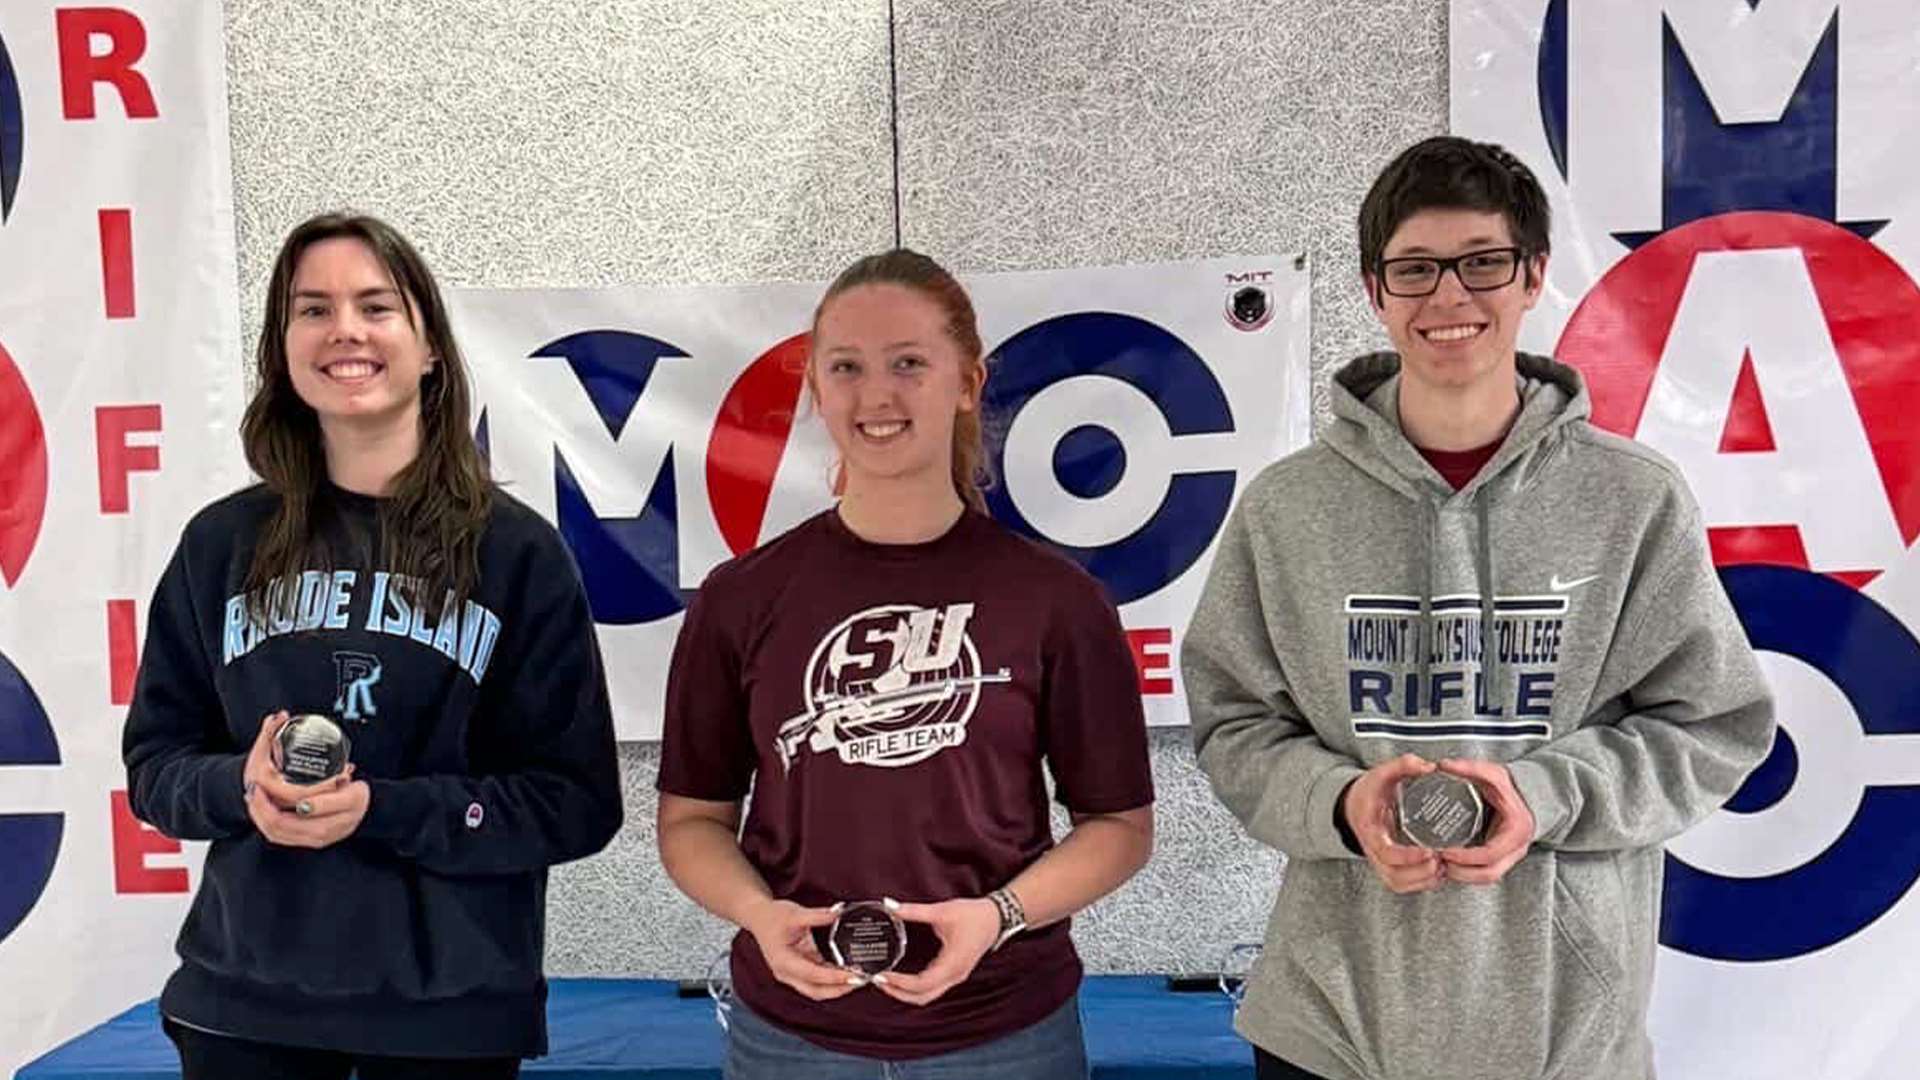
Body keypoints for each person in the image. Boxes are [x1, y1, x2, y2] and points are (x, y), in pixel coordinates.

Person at [1182, 136, 1775, 1080]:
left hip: (1562, 1034)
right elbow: (1232, 723)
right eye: (1415, 269)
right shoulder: (1286, 509)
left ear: (1534, 276)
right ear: (1376, 290)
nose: (1449, 298)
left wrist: (1542, 796)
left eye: (1482, 263)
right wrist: (1342, 802)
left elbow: (1714, 725)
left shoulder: (1634, 500)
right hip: (1331, 1029)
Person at [123, 212, 623, 1079]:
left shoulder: (516, 554)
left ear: (430, 346)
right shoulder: (221, 545)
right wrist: (240, 785)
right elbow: (155, 768)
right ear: (284, 348)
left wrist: (385, 810)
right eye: (312, 309)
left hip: (448, 1020)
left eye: (376, 306)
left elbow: (575, 802)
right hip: (245, 1008)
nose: (344, 330)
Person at [656, 248, 1155, 1079]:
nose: (876, 395)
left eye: (909, 363)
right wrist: (759, 915)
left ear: (967, 381)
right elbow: (692, 823)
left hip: (1009, 1033)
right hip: (790, 1040)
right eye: (846, 367)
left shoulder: (1057, 600)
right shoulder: (740, 598)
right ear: (816, 388)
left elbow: (1120, 830)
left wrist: (998, 916)